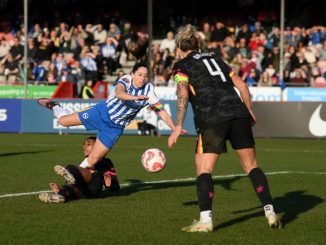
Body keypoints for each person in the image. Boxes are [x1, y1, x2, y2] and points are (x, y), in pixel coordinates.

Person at [168, 25, 281, 232]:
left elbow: (182, 92)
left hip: (212, 117)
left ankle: (205, 220)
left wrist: (178, 125)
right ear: (198, 45)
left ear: (179, 48)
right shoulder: (215, 59)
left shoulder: (180, 66)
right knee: (252, 166)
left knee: (204, 169)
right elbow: (242, 86)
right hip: (238, 113)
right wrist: (248, 110)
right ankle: (270, 211)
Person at [38, 63, 186, 170]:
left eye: (145, 76)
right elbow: (119, 93)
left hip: (114, 128)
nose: (142, 78)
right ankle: (55, 105)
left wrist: (174, 128)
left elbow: (161, 111)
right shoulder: (126, 80)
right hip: (101, 112)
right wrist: (134, 98)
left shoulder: (148, 90)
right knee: (63, 122)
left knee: (93, 160)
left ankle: (74, 175)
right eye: (139, 75)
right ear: (133, 74)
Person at [39, 136, 120, 203]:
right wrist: (59, 189)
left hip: (93, 188)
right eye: (84, 144)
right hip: (83, 191)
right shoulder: (85, 162)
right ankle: (61, 195)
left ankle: (70, 179)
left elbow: (114, 188)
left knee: (72, 168)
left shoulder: (105, 161)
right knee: (70, 188)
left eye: (88, 144)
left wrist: (108, 181)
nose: (84, 146)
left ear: (97, 147)